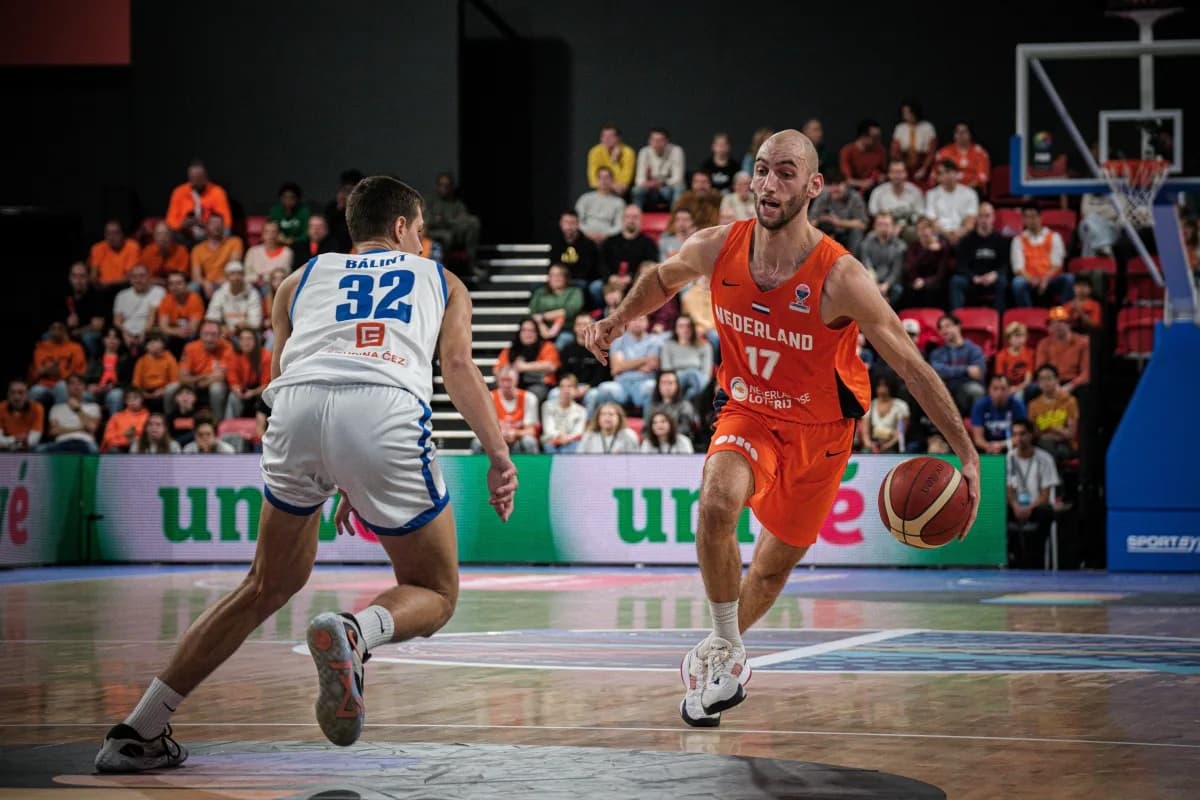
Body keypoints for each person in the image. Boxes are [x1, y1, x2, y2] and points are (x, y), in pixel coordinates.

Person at [95, 175, 517, 772]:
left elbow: (284, 378)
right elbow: (456, 369)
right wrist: (499, 456)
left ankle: (139, 729)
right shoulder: (441, 280)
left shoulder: (297, 281)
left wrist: (338, 467)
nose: (424, 244)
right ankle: (356, 631)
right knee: (435, 591)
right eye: (421, 232)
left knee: (264, 585)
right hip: (384, 408)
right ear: (401, 229)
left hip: (294, 412)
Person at [583, 129, 979, 728]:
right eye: (762, 170)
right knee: (716, 502)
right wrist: (614, 323)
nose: (768, 184)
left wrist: (967, 456)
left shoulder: (840, 277)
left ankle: (723, 657)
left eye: (786, 172)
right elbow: (664, 279)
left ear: (814, 185)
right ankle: (727, 648)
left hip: (821, 435)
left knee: (770, 569)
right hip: (747, 411)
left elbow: (910, 364)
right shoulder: (719, 245)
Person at [1006, 418, 1060, 569]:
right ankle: (1011, 561)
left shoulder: (1044, 459)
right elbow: (1009, 489)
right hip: (1016, 506)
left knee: (1046, 511)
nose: (1019, 438)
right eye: (1015, 434)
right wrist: (1016, 506)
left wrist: (1029, 508)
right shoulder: (1009, 458)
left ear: (1031, 435)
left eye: (1023, 434)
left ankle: (1038, 562)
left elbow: (1045, 494)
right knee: (1000, 510)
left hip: (1036, 506)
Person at [951, 202, 1010, 312]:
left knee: (1002, 281)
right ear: (976, 219)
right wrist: (973, 277)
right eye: (981, 216)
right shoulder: (966, 240)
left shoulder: (1001, 240)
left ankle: (999, 318)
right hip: (972, 280)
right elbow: (961, 265)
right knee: (956, 281)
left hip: (992, 280)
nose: (984, 220)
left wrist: (995, 274)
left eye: (987, 216)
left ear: (993, 218)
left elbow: (1006, 265)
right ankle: (957, 317)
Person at [1011, 207, 1073, 307]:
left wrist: (1045, 279)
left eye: (1033, 216)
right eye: (1027, 217)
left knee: (1069, 279)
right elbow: (1018, 268)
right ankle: (1027, 314)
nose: (1031, 220)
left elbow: (1057, 265)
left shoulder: (1054, 236)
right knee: (1017, 283)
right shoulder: (1018, 240)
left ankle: (1064, 313)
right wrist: (1031, 279)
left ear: (1040, 217)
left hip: (1051, 279)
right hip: (1029, 280)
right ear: (1023, 220)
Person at [475, 365, 539, 454]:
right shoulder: (490, 398)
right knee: (477, 442)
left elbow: (531, 431)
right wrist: (501, 434)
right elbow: (485, 429)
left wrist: (515, 433)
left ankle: (533, 467)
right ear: (498, 381)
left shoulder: (528, 398)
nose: (506, 384)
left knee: (529, 442)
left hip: (518, 437)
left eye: (509, 380)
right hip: (496, 437)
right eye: (503, 380)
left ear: (516, 381)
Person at [494, 318, 561, 403]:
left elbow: (551, 366)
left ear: (537, 332)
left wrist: (525, 367)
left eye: (531, 330)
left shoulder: (547, 346)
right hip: (513, 384)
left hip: (538, 384)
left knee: (532, 395)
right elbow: (497, 369)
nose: (527, 334)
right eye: (524, 330)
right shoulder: (511, 350)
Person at [930, 314, 987, 414]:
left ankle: (976, 425)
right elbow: (937, 371)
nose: (944, 330)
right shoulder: (937, 353)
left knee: (975, 390)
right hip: (945, 390)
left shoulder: (973, 349)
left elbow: (978, 373)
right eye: (941, 328)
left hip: (966, 390)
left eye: (947, 326)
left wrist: (948, 371)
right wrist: (966, 370)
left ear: (958, 326)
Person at [165, 160, 232, 241]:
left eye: (198, 178)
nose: (195, 181)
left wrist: (206, 224)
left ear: (205, 177)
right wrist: (182, 224)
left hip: (208, 233)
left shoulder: (217, 192)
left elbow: (226, 220)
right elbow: (170, 220)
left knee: (225, 233)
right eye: (192, 178)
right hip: (185, 234)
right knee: (168, 231)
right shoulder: (179, 192)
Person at [425, 173, 482, 265]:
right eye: (441, 185)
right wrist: (447, 221)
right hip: (432, 233)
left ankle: (472, 263)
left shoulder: (457, 203)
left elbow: (462, 221)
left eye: (447, 185)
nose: (444, 188)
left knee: (473, 222)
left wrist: (444, 220)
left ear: (452, 187)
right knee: (447, 236)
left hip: (453, 233)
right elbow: (427, 222)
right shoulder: (429, 201)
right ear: (437, 186)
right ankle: (444, 268)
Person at [29, 321, 87, 408]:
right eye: (53, 328)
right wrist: (48, 370)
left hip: (66, 385)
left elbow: (79, 371)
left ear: (65, 331)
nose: (56, 331)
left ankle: (61, 418)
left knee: (61, 386)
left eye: (60, 328)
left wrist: (58, 372)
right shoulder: (41, 348)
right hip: (44, 385)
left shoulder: (75, 348)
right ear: (49, 331)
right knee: (34, 391)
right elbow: (37, 371)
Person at [1027, 364, 1078, 462]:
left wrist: (1050, 428)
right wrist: (1059, 430)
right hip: (1043, 443)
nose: (1046, 382)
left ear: (1057, 380)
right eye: (1042, 379)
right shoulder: (1033, 405)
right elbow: (1035, 434)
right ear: (1037, 383)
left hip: (1065, 443)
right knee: (1047, 448)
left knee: (1061, 451)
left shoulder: (1070, 401)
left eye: (1049, 378)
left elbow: (1070, 434)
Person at [808, 170, 868, 253]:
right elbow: (811, 222)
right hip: (828, 233)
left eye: (838, 184)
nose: (834, 188)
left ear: (846, 185)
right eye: (831, 185)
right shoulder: (824, 196)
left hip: (847, 234)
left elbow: (862, 224)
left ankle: (852, 263)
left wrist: (838, 222)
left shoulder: (854, 197)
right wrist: (820, 220)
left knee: (857, 232)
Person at [1034, 307, 1089, 397]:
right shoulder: (1044, 343)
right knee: (1031, 390)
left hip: (1072, 382)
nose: (1057, 326)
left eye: (1061, 322)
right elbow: (1040, 369)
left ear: (1069, 324)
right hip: (1050, 380)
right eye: (1053, 323)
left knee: (1085, 388)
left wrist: (1071, 386)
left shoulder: (1082, 342)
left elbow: (1086, 372)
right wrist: (1052, 385)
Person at [529, 265, 585, 351]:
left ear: (566, 277)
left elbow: (571, 310)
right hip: (541, 328)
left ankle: (555, 361)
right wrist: (542, 326)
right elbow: (533, 312)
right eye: (553, 275)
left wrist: (543, 316)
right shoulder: (540, 292)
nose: (556, 278)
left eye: (560, 274)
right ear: (548, 278)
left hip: (567, 328)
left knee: (564, 339)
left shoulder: (574, 291)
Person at [857, 212, 906, 306]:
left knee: (898, 290)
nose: (883, 228)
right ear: (874, 226)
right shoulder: (866, 243)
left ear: (893, 227)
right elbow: (867, 265)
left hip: (889, 284)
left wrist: (886, 286)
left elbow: (896, 271)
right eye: (880, 224)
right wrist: (874, 284)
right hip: (871, 280)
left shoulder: (900, 246)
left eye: (887, 225)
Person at [660, 314, 713, 401]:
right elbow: (666, 370)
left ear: (693, 328)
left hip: (698, 381)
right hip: (675, 380)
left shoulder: (704, 346)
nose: (685, 329)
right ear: (675, 329)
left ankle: (684, 402)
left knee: (694, 379)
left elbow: (706, 374)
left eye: (688, 326)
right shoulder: (668, 345)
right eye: (681, 326)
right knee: (691, 374)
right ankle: (687, 404)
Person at [924, 160, 978, 245]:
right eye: (941, 173)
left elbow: (970, 222)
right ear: (938, 177)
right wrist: (947, 235)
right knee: (931, 237)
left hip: (963, 233)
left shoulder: (970, 193)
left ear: (956, 173)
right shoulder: (931, 195)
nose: (945, 176)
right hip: (940, 234)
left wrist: (958, 234)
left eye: (948, 172)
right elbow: (932, 221)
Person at [867, 161, 924, 239]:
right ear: (889, 174)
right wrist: (889, 226)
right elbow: (874, 213)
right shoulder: (878, 192)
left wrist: (902, 226)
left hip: (908, 226)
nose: (896, 175)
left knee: (912, 232)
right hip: (884, 225)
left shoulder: (915, 191)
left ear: (906, 174)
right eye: (893, 172)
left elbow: (919, 214)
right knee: (870, 237)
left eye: (900, 172)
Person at [970, 374, 1026, 454]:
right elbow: (978, 439)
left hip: (1011, 448)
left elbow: (1020, 437)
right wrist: (988, 446)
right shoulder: (980, 406)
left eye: (1003, 389)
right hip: (986, 449)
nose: (999, 393)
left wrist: (1001, 445)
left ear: (1009, 390)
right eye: (995, 388)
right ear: (989, 390)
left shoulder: (1018, 405)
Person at [64, 261, 110, 358]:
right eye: (75, 276)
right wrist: (66, 327)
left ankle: (96, 364)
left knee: (88, 338)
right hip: (68, 332)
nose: (78, 280)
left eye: (82, 276)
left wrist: (77, 332)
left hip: (90, 334)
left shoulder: (97, 295)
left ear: (88, 278)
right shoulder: (66, 295)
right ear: (70, 278)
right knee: (47, 337)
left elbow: (97, 325)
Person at [634, 127, 686, 210]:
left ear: (667, 141)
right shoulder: (644, 152)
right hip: (650, 189)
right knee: (636, 190)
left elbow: (677, 178)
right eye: (653, 140)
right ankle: (636, 217)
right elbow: (639, 180)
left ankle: (676, 218)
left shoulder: (676, 151)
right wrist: (648, 184)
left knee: (679, 188)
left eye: (660, 140)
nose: (656, 143)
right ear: (649, 141)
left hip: (668, 187)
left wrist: (662, 183)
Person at [890, 100, 938, 185]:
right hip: (905, 165)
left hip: (923, 165)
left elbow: (932, 152)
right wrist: (902, 168)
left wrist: (924, 169)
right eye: (904, 112)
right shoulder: (900, 128)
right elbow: (895, 151)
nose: (905, 115)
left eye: (907, 112)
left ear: (915, 112)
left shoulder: (927, 128)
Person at [934, 122, 990, 192]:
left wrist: (963, 192)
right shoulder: (943, 152)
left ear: (970, 135)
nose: (960, 135)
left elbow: (982, 178)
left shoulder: (980, 153)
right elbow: (936, 175)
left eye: (964, 132)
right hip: (948, 189)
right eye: (957, 132)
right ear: (954, 135)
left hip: (972, 190)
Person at [859, 374, 909, 453]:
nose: (882, 389)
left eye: (885, 386)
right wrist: (869, 444)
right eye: (879, 385)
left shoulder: (900, 406)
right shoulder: (869, 406)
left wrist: (887, 445)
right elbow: (865, 432)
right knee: (865, 452)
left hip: (892, 445)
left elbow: (900, 432)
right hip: (873, 444)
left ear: (891, 387)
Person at [576, 167, 626, 244]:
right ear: (597, 180)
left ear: (612, 180)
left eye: (607, 177)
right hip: (585, 235)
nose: (604, 181)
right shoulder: (585, 198)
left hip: (608, 238)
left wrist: (606, 235)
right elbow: (577, 220)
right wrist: (587, 233)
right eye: (600, 177)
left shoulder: (619, 202)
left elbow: (619, 225)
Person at [540, 373, 587, 453]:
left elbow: (578, 432)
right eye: (562, 387)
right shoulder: (547, 406)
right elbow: (549, 429)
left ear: (576, 390)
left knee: (574, 446)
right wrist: (559, 436)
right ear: (558, 390)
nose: (566, 390)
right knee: (549, 445)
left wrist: (567, 438)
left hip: (571, 442)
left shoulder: (581, 410)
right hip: (552, 440)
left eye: (569, 386)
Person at [88, 220, 141, 291]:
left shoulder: (132, 247)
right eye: (108, 233)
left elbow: (130, 277)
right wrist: (96, 283)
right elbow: (93, 275)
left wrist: (109, 284)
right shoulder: (97, 248)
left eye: (116, 233)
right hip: (101, 289)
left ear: (123, 234)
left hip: (124, 288)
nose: (111, 237)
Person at [645, 368, 700, 436]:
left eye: (670, 383)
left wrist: (665, 434)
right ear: (658, 386)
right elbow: (646, 430)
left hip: (678, 442)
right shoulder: (652, 406)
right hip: (655, 443)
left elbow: (685, 428)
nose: (667, 386)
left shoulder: (685, 406)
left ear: (677, 385)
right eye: (663, 383)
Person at [587, 123, 636, 196]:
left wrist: (615, 161)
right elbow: (593, 179)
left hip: (620, 191)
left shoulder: (628, 153)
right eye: (604, 136)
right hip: (600, 189)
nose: (607, 139)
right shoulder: (594, 152)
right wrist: (610, 186)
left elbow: (625, 181)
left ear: (618, 138)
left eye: (611, 136)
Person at [838, 120, 887, 193]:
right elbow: (847, 180)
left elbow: (884, 173)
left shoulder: (880, 150)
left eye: (878, 137)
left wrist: (881, 177)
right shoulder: (847, 151)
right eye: (874, 138)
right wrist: (862, 183)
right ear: (863, 136)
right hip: (854, 192)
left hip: (876, 190)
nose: (877, 141)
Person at [243, 220, 295, 285]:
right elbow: (247, 275)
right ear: (262, 234)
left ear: (279, 234)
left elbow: (284, 275)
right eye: (266, 232)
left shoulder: (286, 252)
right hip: (254, 287)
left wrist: (262, 277)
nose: (270, 235)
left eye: (274, 232)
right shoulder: (252, 251)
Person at [0, 380, 44, 452]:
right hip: (6, 448)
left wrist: (11, 443)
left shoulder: (37, 408)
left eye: (21, 393)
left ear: (27, 395)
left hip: (28, 447)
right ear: (8, 394)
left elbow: (34, 438)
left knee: (40, 449)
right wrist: (14, 439)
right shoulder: (1, 407)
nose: (16, 397)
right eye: (12, 392)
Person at [994, 322, 1035, 399]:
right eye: (1016, 336)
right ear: (1008, 339)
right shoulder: (1001, 355)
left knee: (1019, 395)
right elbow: (1001, 378)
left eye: (1022, 336)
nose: (1020, 340)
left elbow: (1028, 379)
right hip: (1007, 386)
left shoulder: (1030, 353)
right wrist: (1008, 389)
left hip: (1024, 386)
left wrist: (1017, 388)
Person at [267, 182, 311, 247]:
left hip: (299, 245)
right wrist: (278, 236)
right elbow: (270, 228)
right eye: (285, 197)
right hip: (278, 243)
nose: (288, 201)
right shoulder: (275, 210)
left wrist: (293, 240)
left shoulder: (304, 211)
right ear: (280, 198)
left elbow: (307, 234)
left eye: (292, 198)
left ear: (298, 199)